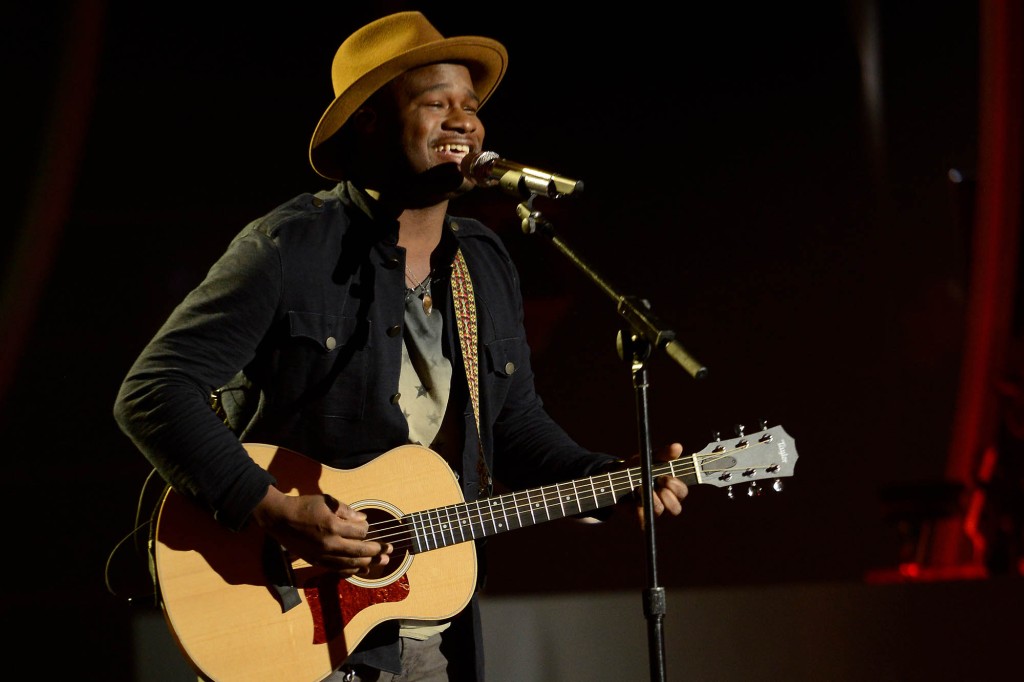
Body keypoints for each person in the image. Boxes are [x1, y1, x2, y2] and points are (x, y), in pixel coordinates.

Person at [113, 10, 688, 682]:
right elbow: (153, 393)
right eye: (434, 103)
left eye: (470, 107)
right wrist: (274, 508)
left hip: (421, 636)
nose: (463, 122)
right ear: (369, 120)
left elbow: (514, 427)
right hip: (286, 618)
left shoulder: (484, 262)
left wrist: (607, 480)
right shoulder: (288, 248)